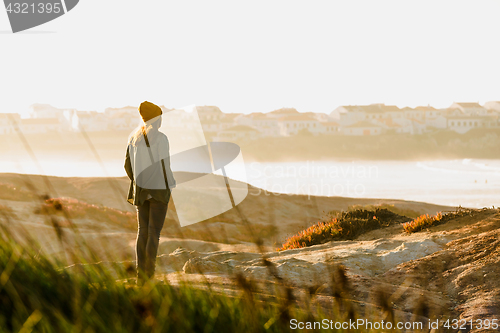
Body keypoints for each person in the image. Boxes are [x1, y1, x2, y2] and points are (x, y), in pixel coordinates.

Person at [124, 101, 176, 285]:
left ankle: (141, 277)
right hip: (159, 190)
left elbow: (127, 166)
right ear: (158, 119)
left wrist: (139, 182)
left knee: (143, 232)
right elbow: (165, 166)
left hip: (141, 191)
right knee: (154, 233)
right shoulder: (161, 139)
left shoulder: (133, 137)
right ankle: (149, 276)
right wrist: (170, 184)